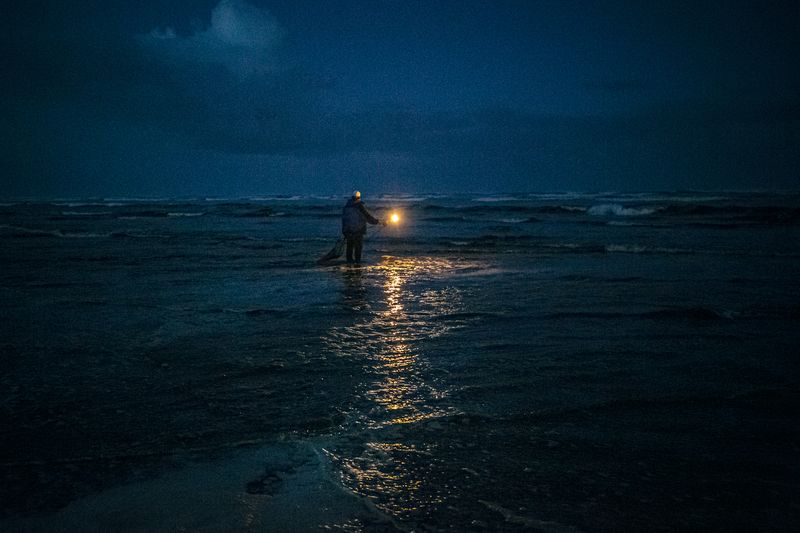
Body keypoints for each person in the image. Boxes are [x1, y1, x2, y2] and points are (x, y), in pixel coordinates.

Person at [341, 191, 382, 263]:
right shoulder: (359, 206)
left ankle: (349, 264)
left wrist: (344, 231)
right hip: (358, 231)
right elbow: (368, 217)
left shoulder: (346, 207)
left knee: (349, 248)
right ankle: (357, 264)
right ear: (359, 198)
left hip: (348, 231)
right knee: (358, 249)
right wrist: (379, 222)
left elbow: (344, 220)